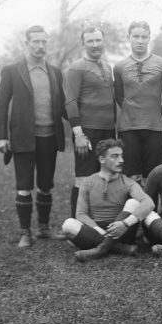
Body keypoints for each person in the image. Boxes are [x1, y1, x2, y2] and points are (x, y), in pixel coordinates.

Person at [0, 25, 67, 247]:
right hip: (23, 138)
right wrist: (0, 137)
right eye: (35, 41)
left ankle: (43, 229)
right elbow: (1, 105)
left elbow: (63, 104)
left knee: (46, 184)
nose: (40, 46)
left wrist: (80, 120)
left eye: (44, 41)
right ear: (26, 44)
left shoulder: (55, 71)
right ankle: (26, 232)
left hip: (50, 137)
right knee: (24, 185)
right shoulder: (12, 70)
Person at [61, 139, 155, 262]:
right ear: (102, 159)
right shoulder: (88, 182)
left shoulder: (128, 183)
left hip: (122, 231)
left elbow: (149, 203)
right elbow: (81, 214)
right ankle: (120, 248)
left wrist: (124, 224)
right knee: (68, 224)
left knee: (132, 203)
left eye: (121, 156)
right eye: (115, 156)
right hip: (96, 231)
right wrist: (98, 229)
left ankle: (101, 249)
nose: (121, 160)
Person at [65, 26, 115, 218]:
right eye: (90, 41)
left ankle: (101, 221)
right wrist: (79, 134)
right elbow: (70, 101)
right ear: (83, 43)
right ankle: (76, 225)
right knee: (83, 179)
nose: (95, 45)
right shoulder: (76, 68)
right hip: (87, 132)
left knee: (107, 177)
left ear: (104, 41)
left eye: (98, 40)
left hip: (108, 131)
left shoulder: (107, 67)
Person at [114, 21, 162, 184]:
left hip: (153, 127)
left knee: (153, 176)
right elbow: (119, 96)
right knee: (132, 177)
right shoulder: (119, 66)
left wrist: (159, 111)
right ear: (129, 38)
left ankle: (151, 209)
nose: (140, 41)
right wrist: (132, 111)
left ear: (149, 38)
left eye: (144, 37)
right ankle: (133, 210)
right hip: (128, 128)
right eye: (136, 36)